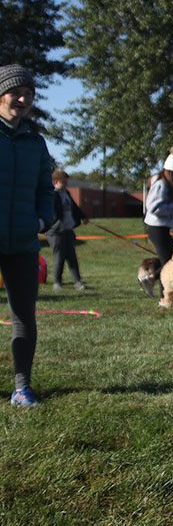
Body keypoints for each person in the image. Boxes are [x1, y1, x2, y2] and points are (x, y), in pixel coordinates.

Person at [0, 65, 54, 406]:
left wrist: (40, 221)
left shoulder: (36, 143)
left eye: (29, 94)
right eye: (15, 92)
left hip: (22, 243)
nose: (22, 99)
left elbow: (45, 191)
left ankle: (23, 387)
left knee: (24, 316)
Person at [144, 147, 173, 270]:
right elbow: (153, 207)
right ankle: (163, 287)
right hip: (156, 228)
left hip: (163, 228)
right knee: (168, 263)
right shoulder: (161, 184)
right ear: (171, 171)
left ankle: (151, 277)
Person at [47, 169, 89, 291]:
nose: (66, 184)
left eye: (66, 182)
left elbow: (75, 208)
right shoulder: (52, 195)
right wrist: (57, 223)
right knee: (59, 257)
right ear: (55, 182)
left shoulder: (67, 194)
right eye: (63, 182)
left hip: (68, 230)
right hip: (56, 232)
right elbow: (52, 214)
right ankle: (57, 282)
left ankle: (77, 282)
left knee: (72, 257)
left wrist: (83, 216)